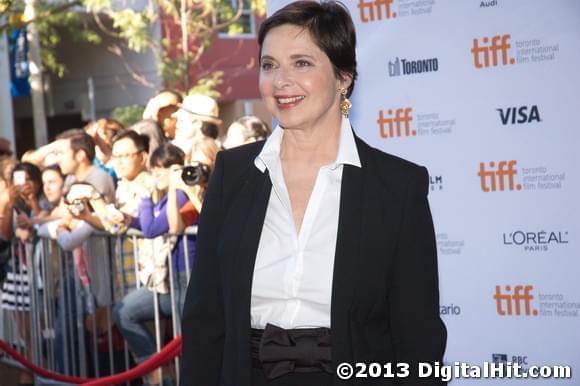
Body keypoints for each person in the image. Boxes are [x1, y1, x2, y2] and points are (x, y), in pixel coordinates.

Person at [180, 2, 446, 386]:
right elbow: (205, 320)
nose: (280, 81)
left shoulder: (397, 186)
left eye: (301, 63)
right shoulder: (233, 174)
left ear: (343, 77)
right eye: (269, 65)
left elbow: (418, 336)